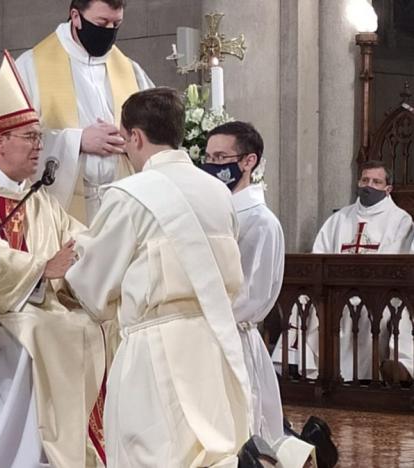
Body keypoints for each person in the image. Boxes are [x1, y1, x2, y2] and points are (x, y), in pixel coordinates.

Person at [0, 51, 106, 468]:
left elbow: (78, 238)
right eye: (31, 137)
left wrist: (103, 248)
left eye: (38, 136)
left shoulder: (36, 194)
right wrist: (42, 271)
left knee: (96, 325)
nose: (39, 147)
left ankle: (76, 450)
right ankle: (29, 455)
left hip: (33, 305)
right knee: (51, 330)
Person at [66, 87, 251, 467]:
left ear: (134, 136)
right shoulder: (219, 193)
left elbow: (92, 285)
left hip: (154, 349)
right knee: (210, 450)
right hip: (212, 341)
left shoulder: (130, 194)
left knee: (151, 453)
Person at [202, 122, 316, 466]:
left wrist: (203, 311)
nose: (211, 165)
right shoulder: (210, 210)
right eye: (207, 157)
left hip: (234, 336)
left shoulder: (262, 222)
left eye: (221, 157)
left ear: (249, 161)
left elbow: (254, 295)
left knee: (246, 430)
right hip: (205, 334)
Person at [273, 160, 414, 382]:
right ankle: (299, 364)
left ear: (388, 189)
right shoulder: (339, 219)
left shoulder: (401, 221)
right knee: (306, 301)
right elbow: (319, 255)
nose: (369, 185)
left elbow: (402, 263)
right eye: (365, 180)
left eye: (376, 182)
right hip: (336, 292)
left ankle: (395, 369)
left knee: (397, 309)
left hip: (380, 292)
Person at [15, 0, 154, 224]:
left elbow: (155, 131)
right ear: (76, 17)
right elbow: (12, 139)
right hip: (64, 206)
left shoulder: (129, 69)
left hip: (122, 200)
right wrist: (78, 141)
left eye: (116, 24)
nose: (108, 31)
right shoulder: (31, 66)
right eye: (102, 22)